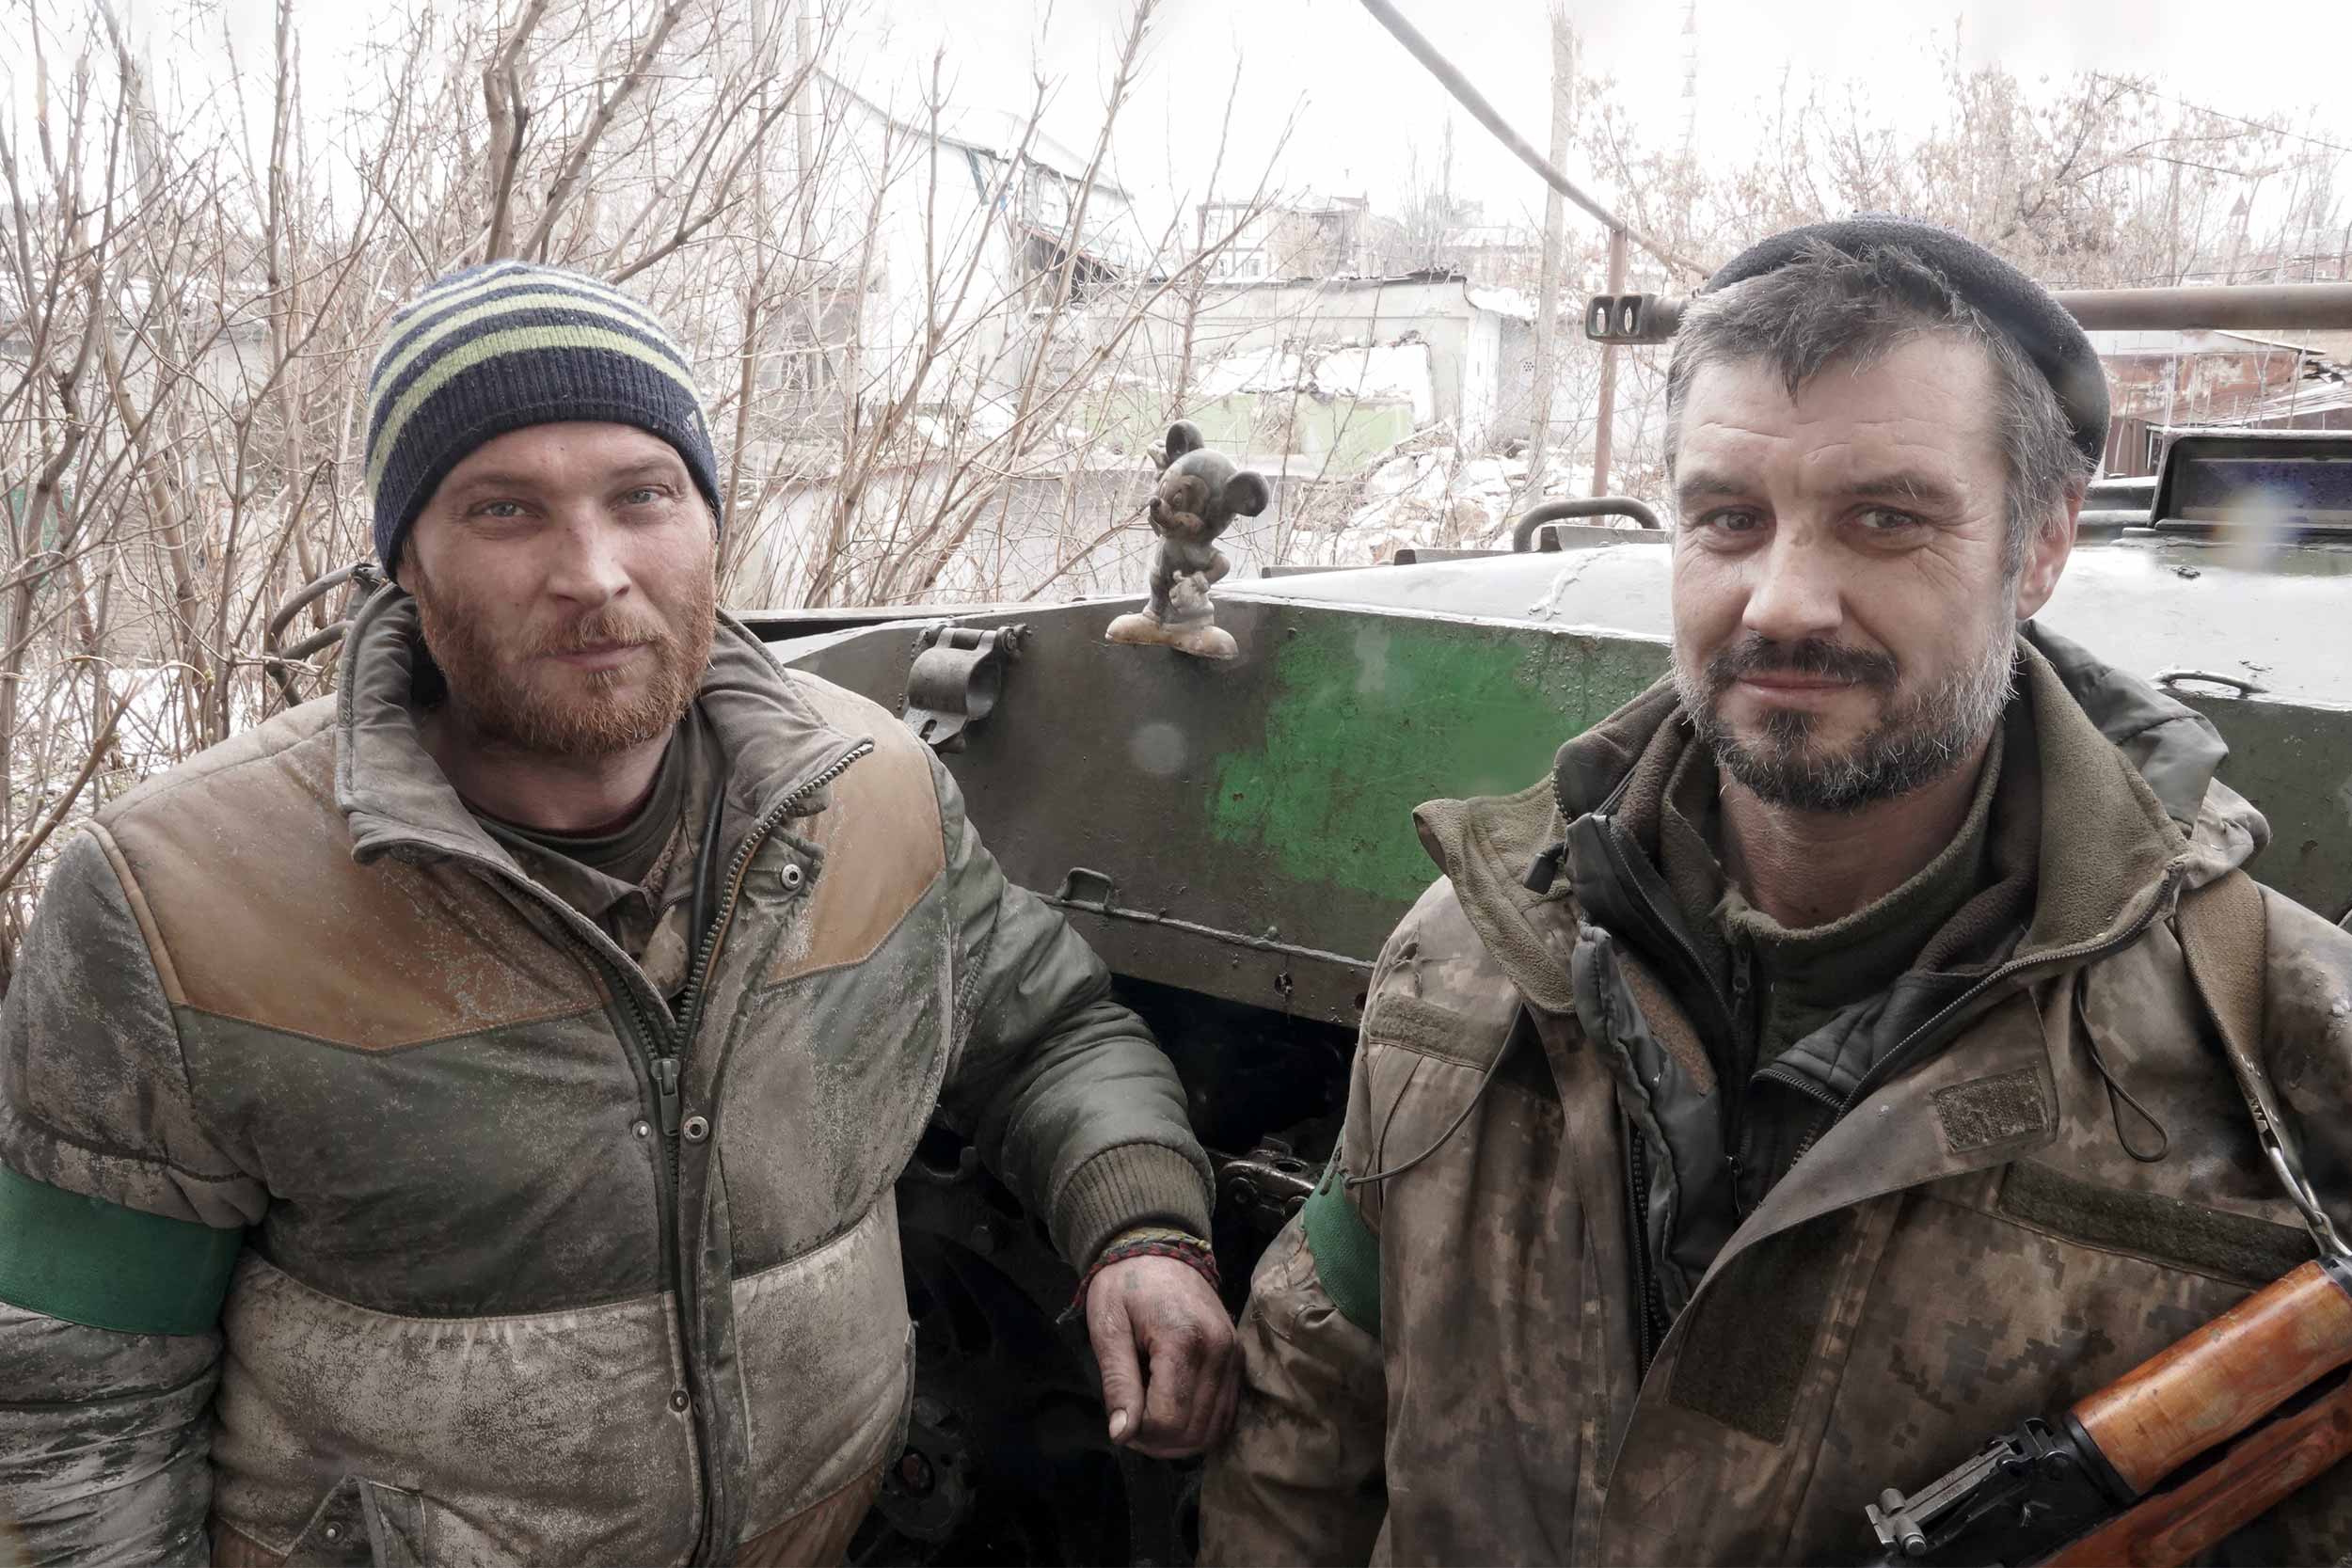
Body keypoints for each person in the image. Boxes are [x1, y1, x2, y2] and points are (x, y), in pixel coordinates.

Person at [0, 261, 1235, 1566]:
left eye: (642, 495)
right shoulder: (174, 898)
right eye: (503, 510)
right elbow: (75, 1415)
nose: (592, 573)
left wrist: (1140, 1231)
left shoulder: (875, 798)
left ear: (709, 522)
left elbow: (1048, 1038)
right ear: (402, 563)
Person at [1200, 218, 2352, 1564]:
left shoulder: (2276, 1034)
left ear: (2038, 552)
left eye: (1886, 520)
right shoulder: (1471, 952)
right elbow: (1311, 1410)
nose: (1784, 603)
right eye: (1729, 520)